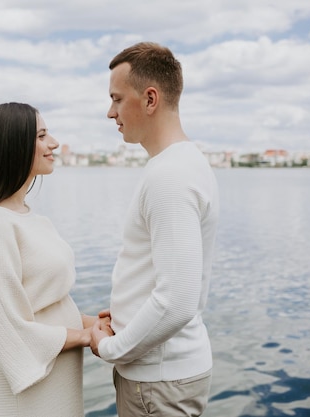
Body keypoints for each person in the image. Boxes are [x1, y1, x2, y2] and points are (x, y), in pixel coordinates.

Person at [90, 42, 220, 416]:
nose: (110, 112)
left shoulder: (171, 176)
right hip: (161, 377)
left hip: (158, 382)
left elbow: (177, 300)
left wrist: (109, 348)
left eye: (117, 98)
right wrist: (125, 311)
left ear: (150, 99)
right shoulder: (182, 164)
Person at [0, 102, 100, 417]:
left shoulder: (31, 218)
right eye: (42, 135)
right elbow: (7, 324)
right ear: (13, 146)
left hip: (53, 380)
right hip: (19, 394)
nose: (54, 143)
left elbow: (41, 302)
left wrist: (92, 322)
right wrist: (86, 337)